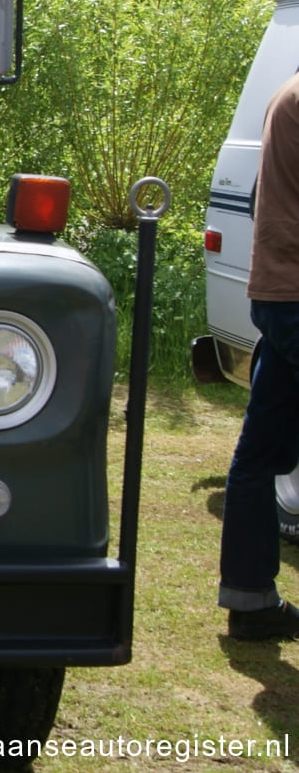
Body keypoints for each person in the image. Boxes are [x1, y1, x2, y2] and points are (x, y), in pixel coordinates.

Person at [221, 69, 299, 639]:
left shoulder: (288, 93)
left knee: (261, 453)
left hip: (281, 292)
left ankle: (249, 600)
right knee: (261, 455)